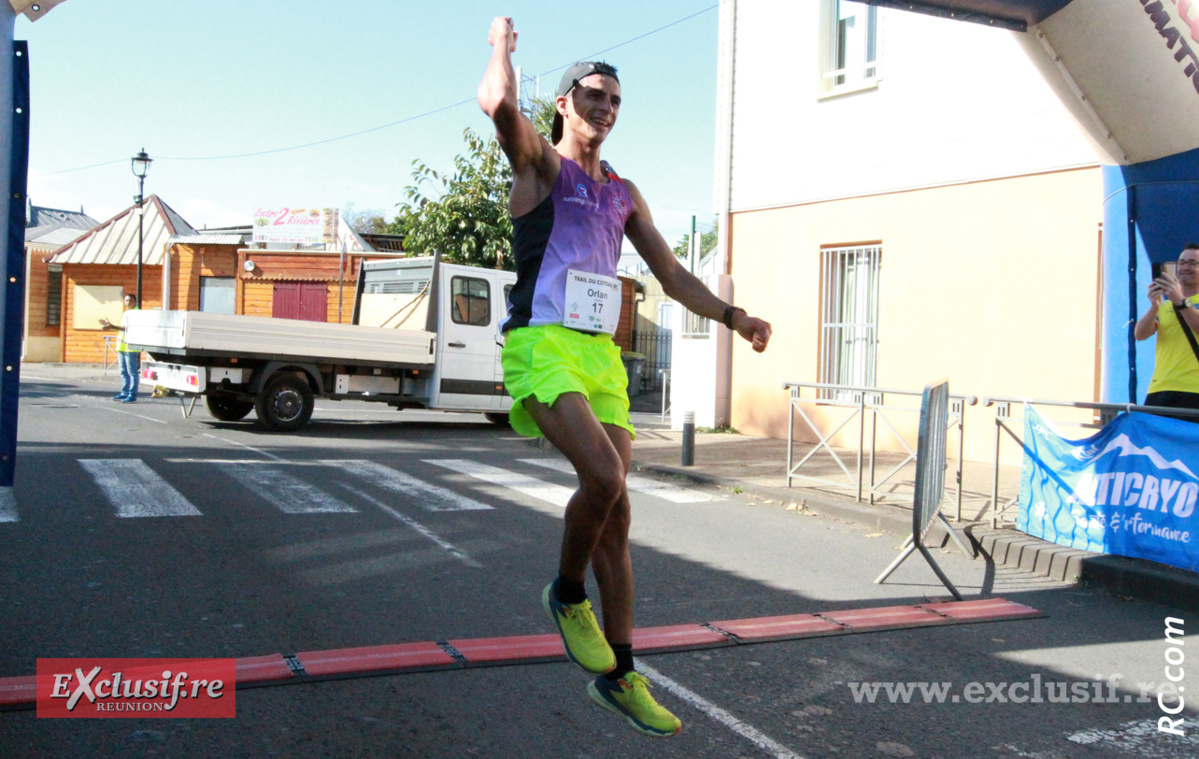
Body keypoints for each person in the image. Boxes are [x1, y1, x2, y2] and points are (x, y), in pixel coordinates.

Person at [478, 17, 772, 737]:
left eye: (614, 100)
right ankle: (566, 592)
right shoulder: (541, 166)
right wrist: (501, 48)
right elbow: (498, 105)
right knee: (604, 477)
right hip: (542, 343)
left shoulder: (623, 192)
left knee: (617, 515)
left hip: (599, 355)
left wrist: (734, 316)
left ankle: (620, 675)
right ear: (564, 103)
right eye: (593, 95)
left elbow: (671, 275)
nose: (605, 108)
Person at [1134, 244, 1199, 420]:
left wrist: (1180, 300)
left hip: (1193, 388)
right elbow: (1140, 334)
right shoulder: (1165, 305)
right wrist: (1154, 307)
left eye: (1193, 263)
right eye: (1181, 262)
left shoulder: (1178, 300)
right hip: (1160, 387)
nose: (1185, 267)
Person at [99, 293, 141, 403]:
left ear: (135, 302)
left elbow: (128, 328)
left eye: (130, 300)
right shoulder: (126, 313)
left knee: (132, 372)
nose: (128, 302)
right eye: (126, 300)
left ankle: (132, 394)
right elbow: (121, 329)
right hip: (122, 346)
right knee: (123, 371)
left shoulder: (136, 313)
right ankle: (124, 392)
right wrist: (111, 327)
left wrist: (112, 326)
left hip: (130, 347)